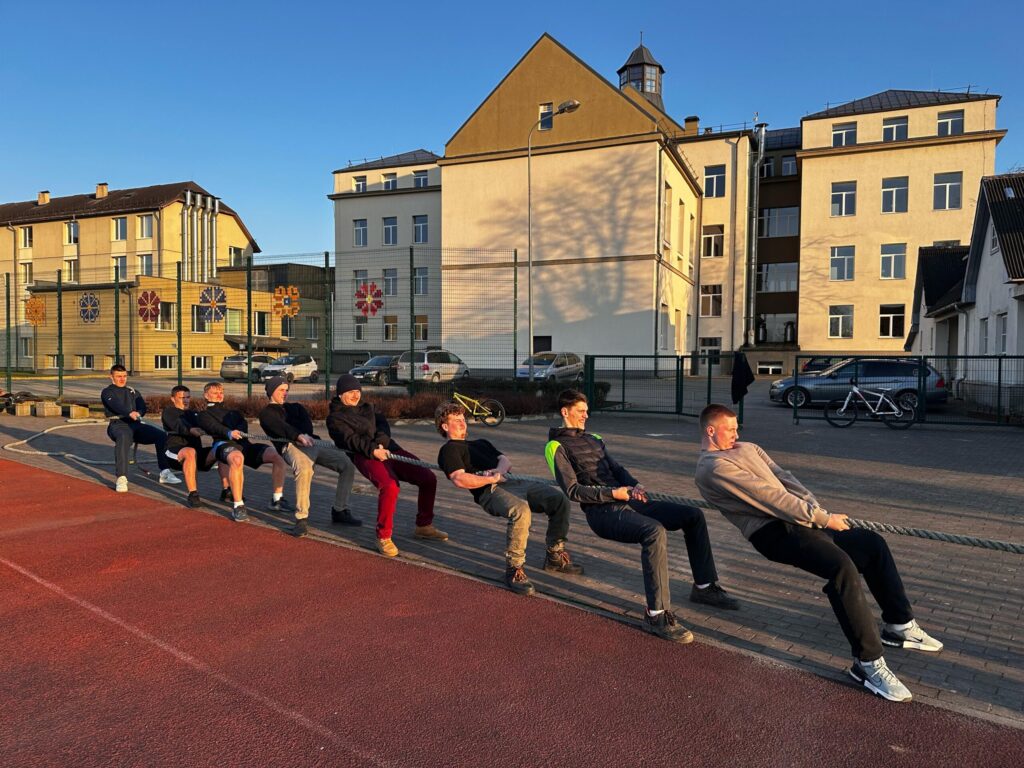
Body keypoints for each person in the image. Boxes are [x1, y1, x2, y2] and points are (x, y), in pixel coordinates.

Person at [694, 403, 942, 703]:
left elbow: (784, 478)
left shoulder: (748, 447)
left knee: (871, 545)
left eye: (737, 427)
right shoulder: (711, 468)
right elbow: (770, 499)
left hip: (804, 518)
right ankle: (868, 663)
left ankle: (899, 625)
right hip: (773, 533)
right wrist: (822, 519)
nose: (737, 433)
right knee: (841, 567)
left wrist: (816, 509)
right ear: (711, 430)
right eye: (730, 429)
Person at [546, 389, 739, 644]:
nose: (586, 415)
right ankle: (656, 614)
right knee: (653, 531)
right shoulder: (555, 445)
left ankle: (704, 588)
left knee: (693, 515)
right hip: (602, 513)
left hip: (630, 500)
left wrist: (634, 485)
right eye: (581, 411)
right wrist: (614, 493)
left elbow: (616, 468)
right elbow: (572, 491)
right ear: (565, 412)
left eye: (587, 410)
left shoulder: (595, 437)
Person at [435, 402, 583, 596]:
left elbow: (505, 460)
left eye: (463, 419)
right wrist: (491, 478)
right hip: (489, 491)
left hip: (514, 482)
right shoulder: (449, 450)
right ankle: (515, 569)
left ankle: (555, 556)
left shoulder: (481, 442)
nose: (463, 423)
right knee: (521, 510)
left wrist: (499, 470)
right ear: (445, 426)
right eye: (456, 420)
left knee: (558, 499)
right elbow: (459, 478)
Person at [327, 374, 447, 557]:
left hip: (389, 449)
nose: (355, 396)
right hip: (365, 455)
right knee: (390, 486)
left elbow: (384, 427)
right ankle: (383, 536)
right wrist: (374, 450)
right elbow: (349, 440)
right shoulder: (335, 418)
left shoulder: (369, 408)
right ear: (341, 394)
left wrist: (382, 444)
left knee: (428, 478)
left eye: (357, 391)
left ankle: (424, 526)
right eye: (350, 392)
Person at [259, 376, 357, 538]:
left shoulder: (296, 407)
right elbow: (279, 426)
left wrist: (303, 435)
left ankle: (340, 510)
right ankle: (301, 518)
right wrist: (297, 436)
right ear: (271, 392)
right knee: (305, 470)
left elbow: (306, 424)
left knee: (347, 466)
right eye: (281, 390)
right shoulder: (267, 413)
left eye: (287, 390)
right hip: (291, 446)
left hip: (313, 442)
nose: (285, 393)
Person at [196, 380, 289, 522]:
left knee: (277, 455)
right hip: (223, 444)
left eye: (221, 392)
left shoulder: (233, 412)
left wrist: (238, 431)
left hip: (244, 444)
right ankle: (238, 506)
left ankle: (277, 500)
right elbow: (212, 427)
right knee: (237, 458)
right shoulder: (203, 414)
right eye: (215, 393)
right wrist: (228, 432)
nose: (219, 395)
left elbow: (242, 424)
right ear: (206, 396)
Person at [101, 364, 181, 492]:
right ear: (111, 377)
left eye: (124, 376)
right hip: (119, 425)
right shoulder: (107, 392)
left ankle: (165, 472)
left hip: (137, 425)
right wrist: (129, 413)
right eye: (118, 376)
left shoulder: (133, 391)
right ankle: (121, 478)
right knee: (123, 437)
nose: (122, 379)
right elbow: (115, 405)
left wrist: (139, 413)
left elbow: (142, 406)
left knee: (161, 435)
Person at [161, 385, 222, 508]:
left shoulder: (194, 413)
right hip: (174, 453)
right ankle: (193, 494)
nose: (186, 400)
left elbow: (209, 424)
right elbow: (178, 425)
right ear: (173, 399)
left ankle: (227, 490)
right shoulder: (169, 412)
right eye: (182, 397)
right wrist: (191, 430)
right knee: (190, 451)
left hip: (196, 455)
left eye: (188, 397)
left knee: (223, 449)